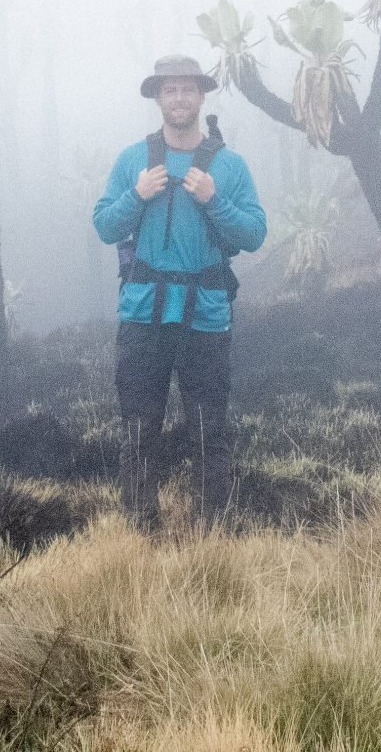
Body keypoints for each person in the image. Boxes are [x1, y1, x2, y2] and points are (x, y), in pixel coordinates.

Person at [91, 53, 267, 531]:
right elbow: (105, 225)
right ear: (157, 97)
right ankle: (140, 535)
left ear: (201, 95)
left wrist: (214, 198)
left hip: (205, 317)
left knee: (209, 430)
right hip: (143, 315)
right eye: (170, 89)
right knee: (138, 428)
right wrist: (137, 194)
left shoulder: (228, 166)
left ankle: (213, 534)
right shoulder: (133, 161)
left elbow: (254, 234)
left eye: (188, 89)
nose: (180, 97)